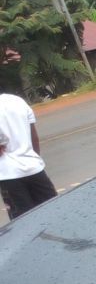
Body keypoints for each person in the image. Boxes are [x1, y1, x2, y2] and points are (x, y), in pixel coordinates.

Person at [0, 91, 58, 220]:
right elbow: (34, 137)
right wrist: (33, 158)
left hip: (9, 176)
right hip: (35, 170)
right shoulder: (18, 101)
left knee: (24, 224)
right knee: (55, 214)